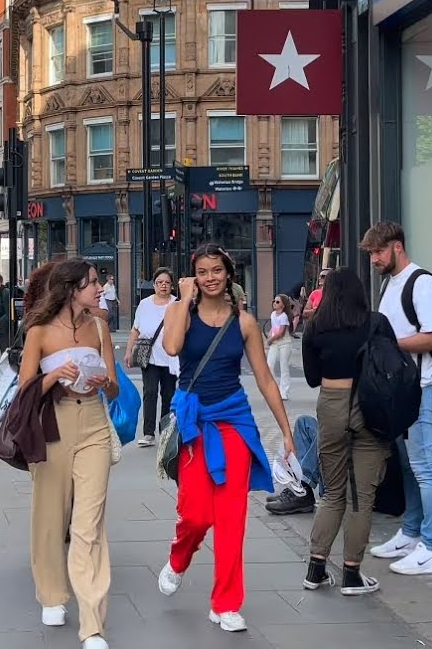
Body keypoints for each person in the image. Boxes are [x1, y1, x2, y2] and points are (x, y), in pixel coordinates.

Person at [157, 244, 294, 633]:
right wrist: (183, 298)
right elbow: (171, 347)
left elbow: (264, 378)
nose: (210, 278)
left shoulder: (245, 322)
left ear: (228, 273)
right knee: (196, 515)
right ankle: (179, 559)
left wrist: (285, 431)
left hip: (234, 420)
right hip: (194, 423)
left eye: (216, 270)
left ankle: (227, 603)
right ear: (194, 277)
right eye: (202, 272)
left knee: (232, 517)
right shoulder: (180, 312)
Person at [17, 259, 118, 649]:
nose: (99, 287)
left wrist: (104, 383)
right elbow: (25, 390)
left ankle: (92, 624)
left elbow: (115, 389)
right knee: (50, 513)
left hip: (94, 422)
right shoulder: (39, 331)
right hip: (53, 423)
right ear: (71, 289)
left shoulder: (100, 327)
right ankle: (52, 594)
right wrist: (55, 375)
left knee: (89, 524)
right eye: (92, 282)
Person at [361, 220, 432, 575]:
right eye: (371, 253)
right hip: (399, 391)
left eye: (378, 252)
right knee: (411, 466)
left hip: (419, 388)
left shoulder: (421, 283)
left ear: (397, 247)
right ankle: (412, 533)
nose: (374, 259)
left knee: (425, 466)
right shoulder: (390, 283)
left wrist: (389, 345)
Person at [300, 268, 392, 595]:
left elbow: (312, 377)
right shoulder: (376, 323)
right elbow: (391, 366)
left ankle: (316, 570)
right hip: (368, 406)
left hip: (331, 404)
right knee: (361, 497)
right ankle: (352, 574)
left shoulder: (315, 327)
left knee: (333, 492)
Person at [124, 267, 179, 447]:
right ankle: (148, 433)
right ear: (154, 285)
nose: (163, 286)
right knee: (149, 392)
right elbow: (135, 329)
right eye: (159, 282)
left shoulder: (177, 304)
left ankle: (166, 431)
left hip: (170, 358)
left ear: (172, 286)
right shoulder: (144, 304)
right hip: (148, 357)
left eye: (167, 283)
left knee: (168, 394)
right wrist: (128, 351)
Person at [265, 294, 293, 400]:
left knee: (283, 366)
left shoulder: (284, 316)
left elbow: (281, 332)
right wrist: (269, 336)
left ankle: (284, 392)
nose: (274, 303)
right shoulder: (273, 314)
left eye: (277, 302)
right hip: (275, 343)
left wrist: (270, 340)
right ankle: (274, 390)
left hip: (284, 343)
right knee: (269, 365)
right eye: (274, 301)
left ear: (283, 305)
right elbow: (273, 328)